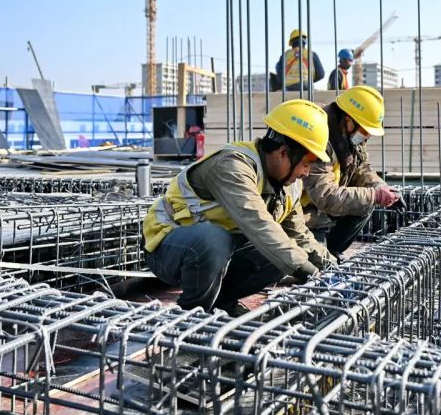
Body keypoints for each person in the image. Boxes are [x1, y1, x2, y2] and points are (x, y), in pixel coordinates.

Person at [142, 99, 337, 314]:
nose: (306, 173)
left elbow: (300, 234)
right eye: (306, 163)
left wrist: (334, 269)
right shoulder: (233, 166)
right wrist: (309, 272)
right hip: (169, 247)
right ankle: (192, 313)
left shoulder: (288, 185)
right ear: (283, 153)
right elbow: (259, 225)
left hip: (218, 252)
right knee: (217, 240)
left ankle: (221, 303)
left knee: (281, 255)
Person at [302, 85, 401, 255]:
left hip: (322, 206)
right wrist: (374, 196)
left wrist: (380, 188)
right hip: (305, 212)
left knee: (365, 204)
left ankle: (332, 252)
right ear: (348, 120)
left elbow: (361, 168)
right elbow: (325, 197)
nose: (366, 136)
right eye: (364, 130)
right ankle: (321, 253)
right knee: (308, 264)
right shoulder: (319, 138)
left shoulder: (346, 137)